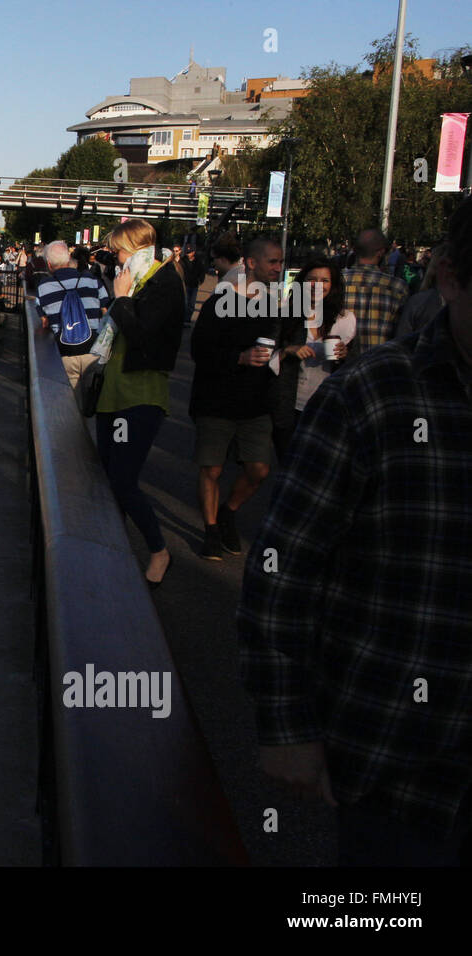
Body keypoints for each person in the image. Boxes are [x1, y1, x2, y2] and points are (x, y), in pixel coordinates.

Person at [236, 196, 472, 866]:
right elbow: (284, 565)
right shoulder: (377, 396)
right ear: (451, 277)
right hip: (401, 756)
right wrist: (286, 724)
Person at [94, 217, 186, 588]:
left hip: (141, 394)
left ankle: (159, 549)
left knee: (123, 479)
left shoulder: (164, 284)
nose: (116, 260)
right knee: (109, 479)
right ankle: (111, 550)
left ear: (135, 249)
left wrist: (120, 298)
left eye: (118, 252)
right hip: (113, 391)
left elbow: (142, 336)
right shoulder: (141, 280)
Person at [189, 236, 287, 562]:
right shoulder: (221, 301)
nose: (278, 267)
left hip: (255, 401)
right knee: (212, 469)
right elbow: (199, 351)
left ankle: (229, 510)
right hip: (216, 399)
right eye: (272, 261)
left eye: (280, 261)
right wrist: (239, 358)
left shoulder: (276, 304)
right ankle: (211, 531)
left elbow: (279, 346)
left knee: (259, 469)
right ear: (252, 262)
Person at [268, 257, 355, 461]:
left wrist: (345, 355)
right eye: (311, 279)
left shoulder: (345, 320)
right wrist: (287, 351)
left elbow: (353, 366)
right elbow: (264, 355)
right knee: (289, 464)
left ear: (332, 285)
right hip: (288, 404)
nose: (317, 285)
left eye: (324, 280)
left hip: (326, 408)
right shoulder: (285, 314)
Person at [36, 240, 109, 389]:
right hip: (94, 352)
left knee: (69, 404)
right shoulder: (92, 281)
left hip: (65, 354)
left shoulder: (43, 287)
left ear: (49, 264)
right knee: (92, 402)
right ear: (69, 260)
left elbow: (45, 322)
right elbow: (106, 312)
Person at [342, 228, 409, 354]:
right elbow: (402, 333)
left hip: (339, 364)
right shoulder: (397, 287)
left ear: (355, 250)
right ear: (381, 252)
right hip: (379, 362)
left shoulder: (335, 281)